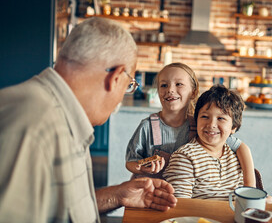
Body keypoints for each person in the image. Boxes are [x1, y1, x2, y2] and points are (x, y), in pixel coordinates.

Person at [0, 17, 177, 223]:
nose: (122, 96)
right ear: (116, 77)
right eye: (128, 85)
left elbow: (61, 205)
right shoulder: (31, 126)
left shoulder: (65, 115)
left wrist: (118, 195)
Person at [125, 63, 255, 187]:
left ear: (193, 92)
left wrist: (250, 188)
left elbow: (241, 147)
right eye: (164, 85)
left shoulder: (202, 126)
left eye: (179, 84)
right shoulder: (147, 126)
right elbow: (130, 161)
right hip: (149, 194)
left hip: (187, 196)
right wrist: (140, 168)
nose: (170, 89)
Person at [163, 85, 251, 200]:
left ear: (233, 127)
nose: (211, 125)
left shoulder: (235, 157)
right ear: (196, 120)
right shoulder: (185, 157)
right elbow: (180, 206)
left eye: (221, 118)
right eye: (205, 117)